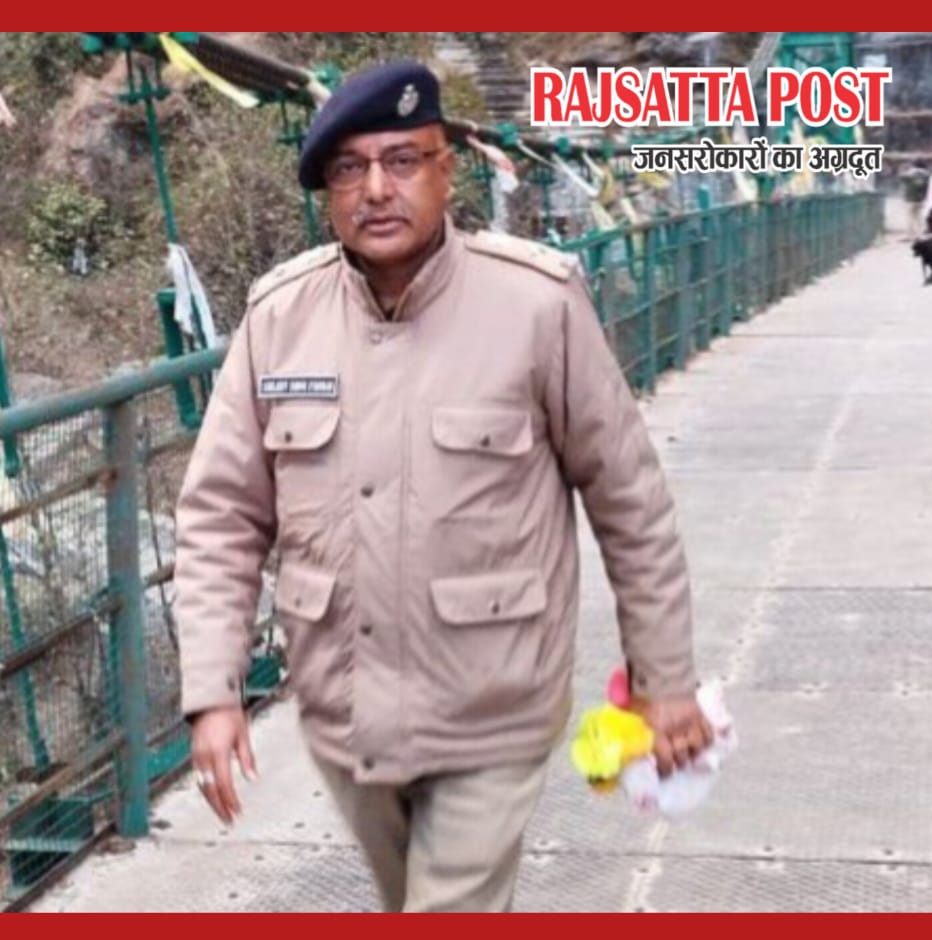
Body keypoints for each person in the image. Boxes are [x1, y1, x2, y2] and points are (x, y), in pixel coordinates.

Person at [173, 60, 713, 913]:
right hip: (345, 712)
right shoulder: (280, 318)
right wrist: (213, 691)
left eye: (402, 160)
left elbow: (631, 503)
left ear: (446, 170)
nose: (375, 189)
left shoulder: (536, 305)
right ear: (326, 192)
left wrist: (666, 679)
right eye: (349, 169)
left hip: (492, 707)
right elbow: (220, 518)